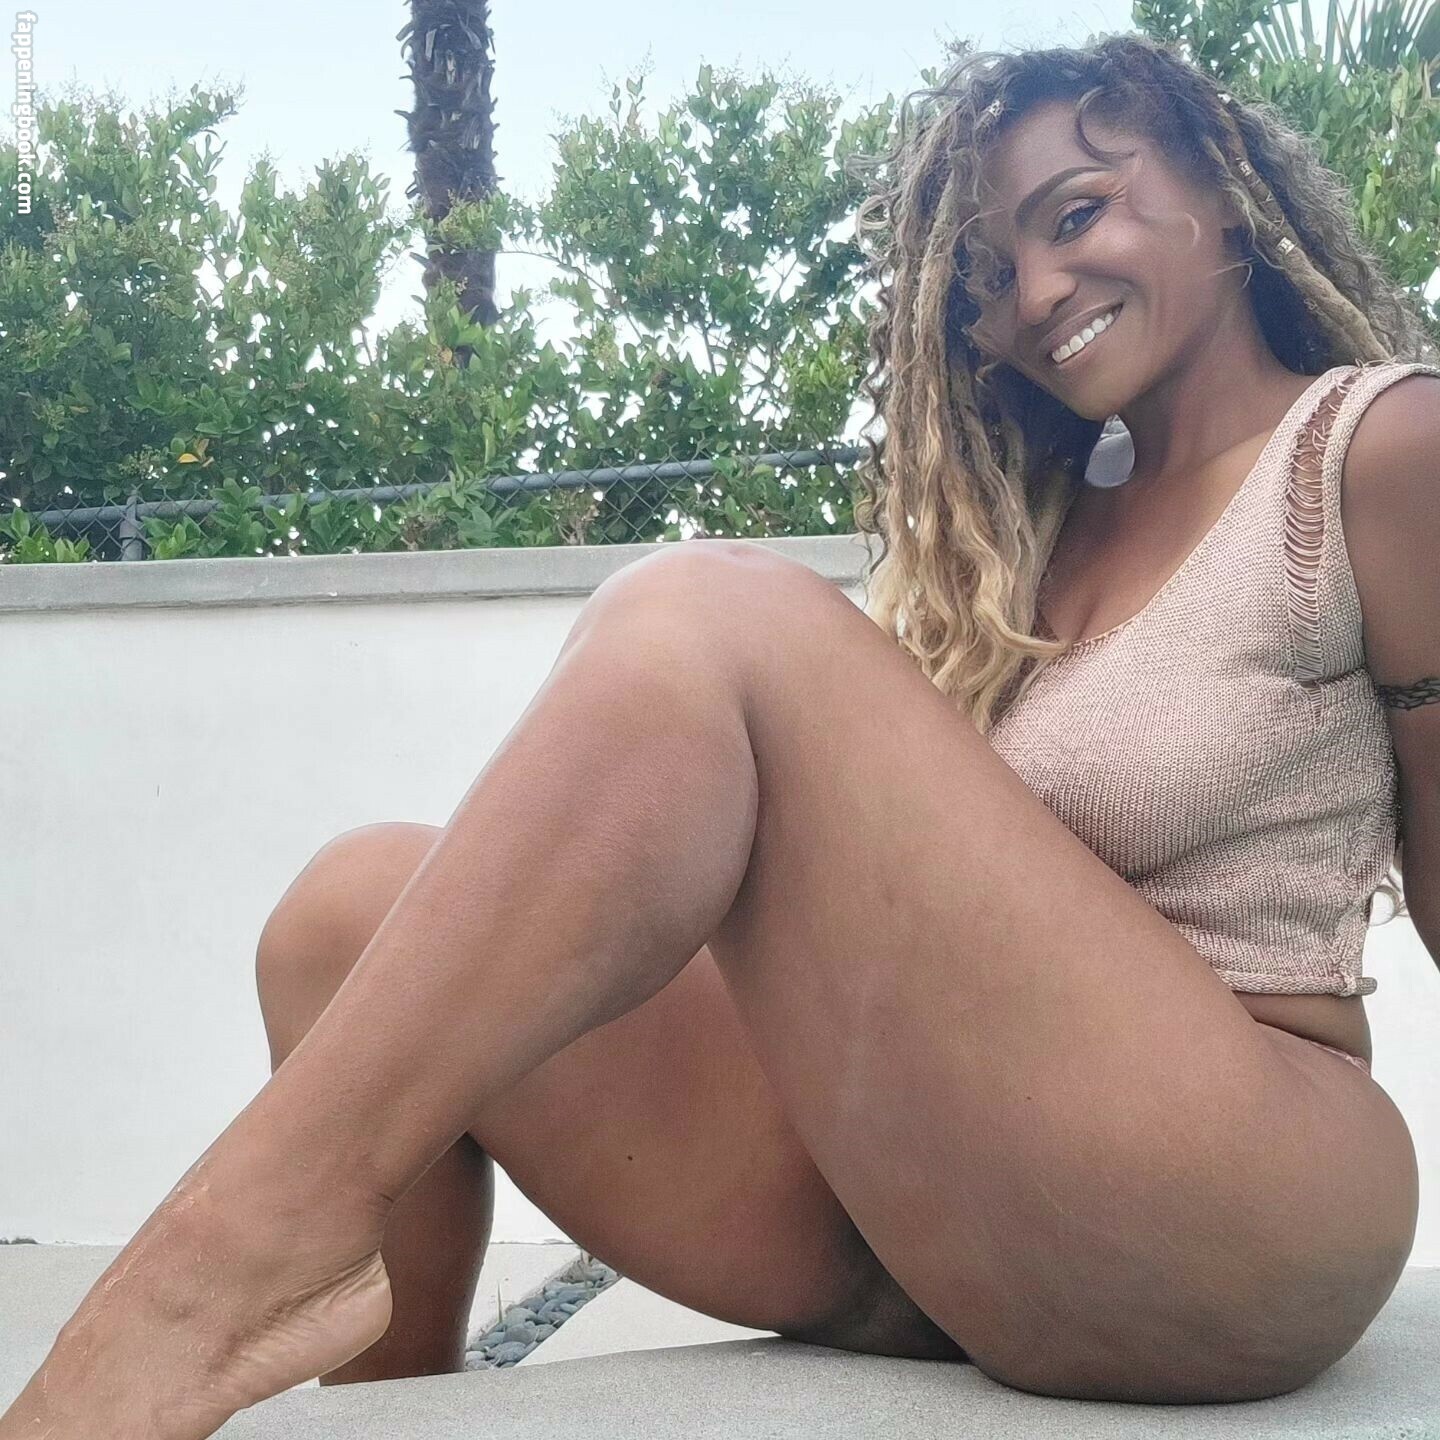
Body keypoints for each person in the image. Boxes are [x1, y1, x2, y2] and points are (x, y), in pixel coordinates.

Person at [4, 30, 1438, 1439]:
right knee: (346, 914)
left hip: (1229, 1190)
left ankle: (217, 1269)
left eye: (1075, 215)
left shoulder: (1378, 448)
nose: (1039, 291)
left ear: (1222, 184)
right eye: (987, 279)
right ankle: (382, 1407)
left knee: (708, 610)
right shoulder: (1037, 534)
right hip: (954, 1203)